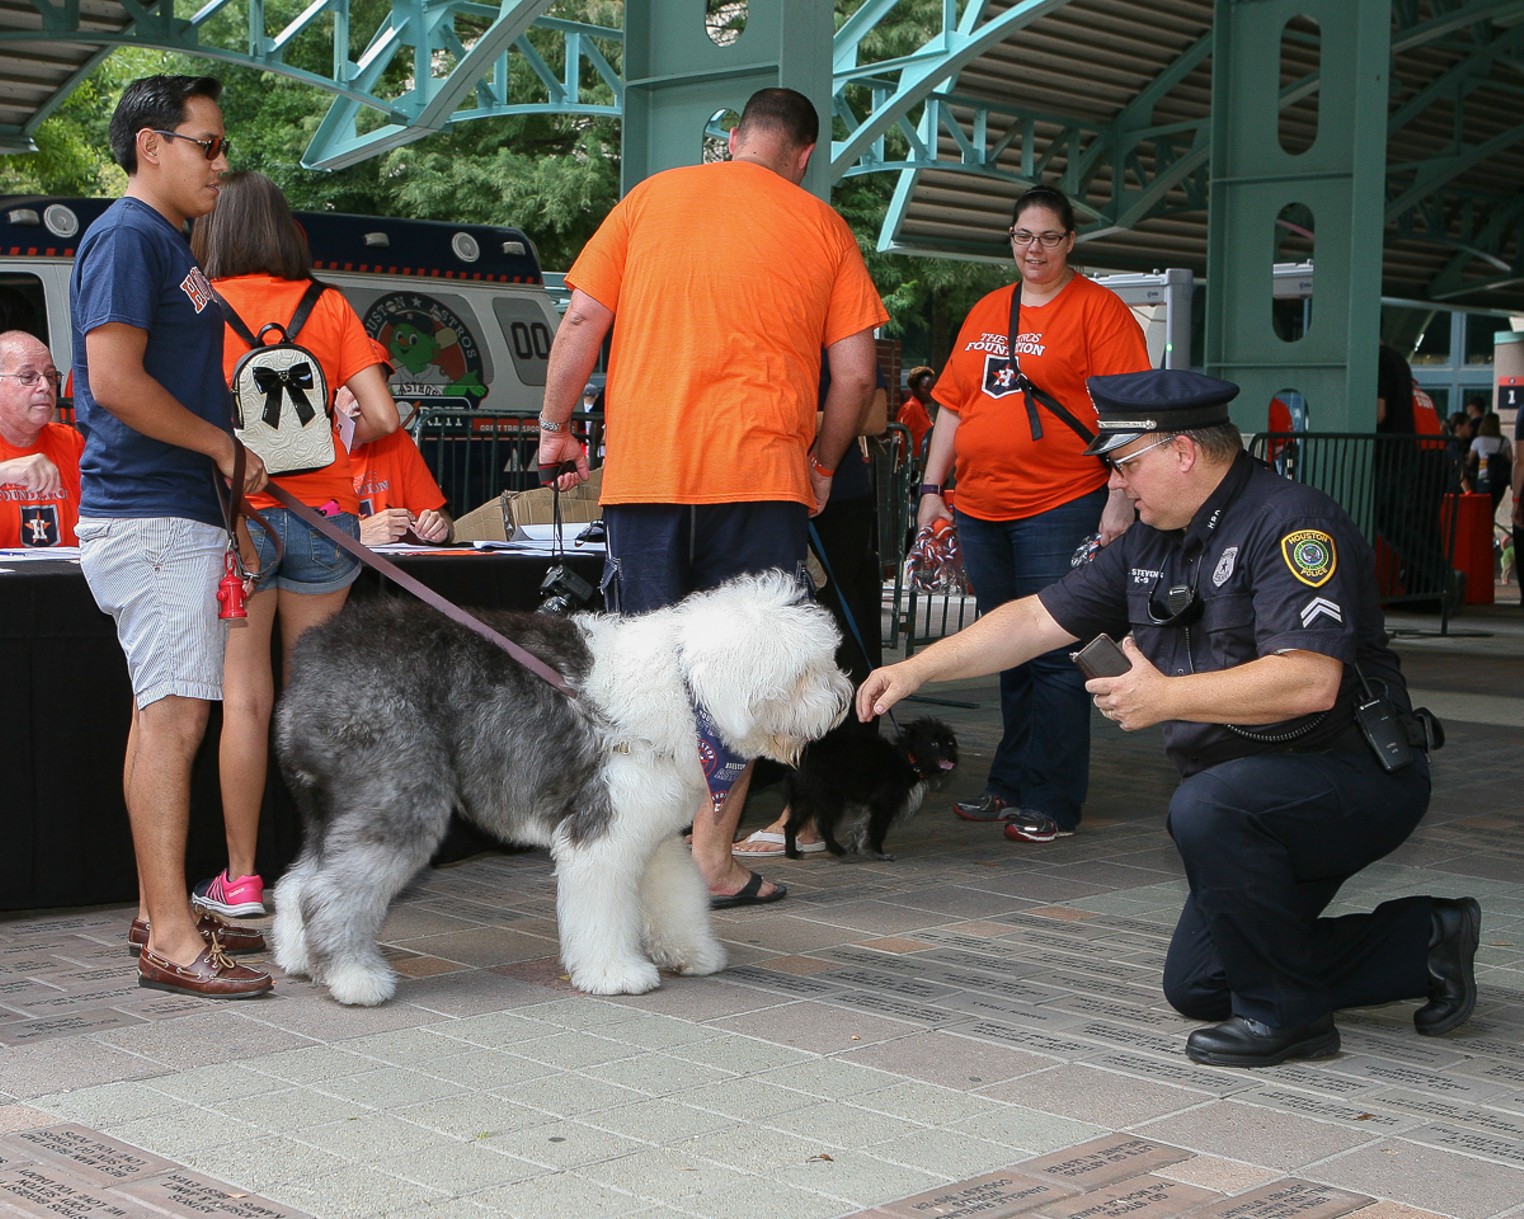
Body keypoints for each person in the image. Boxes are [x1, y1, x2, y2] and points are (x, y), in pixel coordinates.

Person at [859, 368, 1480, 1068]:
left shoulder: (1291, 522)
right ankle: (1425, 939)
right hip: (1251, 791)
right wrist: (916, 668)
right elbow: (1036, 618)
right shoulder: (1154, 539)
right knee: (1200, 982)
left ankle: (1290, 1018)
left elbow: (1310, 680)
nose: (1116, 485)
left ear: (1182, 451)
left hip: (1348, 772)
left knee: (1207, 806)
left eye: (1124, 465)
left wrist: (1165, 699)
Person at [535, 86, 887, 907]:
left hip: (647, 476)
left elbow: (582, 318)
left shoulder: (650, 199)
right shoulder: (823, 228)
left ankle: (627, 849)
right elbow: (858, 374)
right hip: (762, 480)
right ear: (804, 155)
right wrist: (825, 462)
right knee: (748, 674)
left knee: (646, 672)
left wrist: (555, 426)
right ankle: (711, 859)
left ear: (733, 139)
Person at [70, 74, 272, 998]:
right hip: (148, 514)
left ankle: (163, 911)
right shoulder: (124, 234)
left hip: (171, 510)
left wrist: (226, 502)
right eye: (208, 144)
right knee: (177, 718)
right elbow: (112, 381)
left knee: (164, 715)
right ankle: (175, 939)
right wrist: (223, 450)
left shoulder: (158, 240)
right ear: (152, 145)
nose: (222, 165)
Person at [189, 169, 398, 919]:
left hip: (238, 520)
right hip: (325, 523)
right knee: (316, 701)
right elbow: (383, 417)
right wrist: (341, 430)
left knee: (244, 702)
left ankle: (241, 878)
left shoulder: (201, 304)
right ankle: (329, 875)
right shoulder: (330, 304)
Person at [916, 184, 1149, 843]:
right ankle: (1009, 783)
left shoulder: (1099, 312)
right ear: (1010, 240)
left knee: (1053, 654)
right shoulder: (991, 308)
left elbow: (1127, 410)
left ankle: (1051, 798)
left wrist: (1119, 493)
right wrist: (934, 488)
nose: (1035, 249)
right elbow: (955, 406)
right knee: (1009, 653)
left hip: (1060, 504)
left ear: (1071, 241)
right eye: (1023, 236)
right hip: (983, 507)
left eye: (1049, 236)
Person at [349, 343, 452, 546]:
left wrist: (439, 530)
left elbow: (444, 521)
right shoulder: (308, 445)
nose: (366, 396)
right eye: (355, 383)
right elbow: (289, 538)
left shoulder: (396, 440)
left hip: (390, 572)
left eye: (376, 385)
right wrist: (357, 534)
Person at [0, 330, 82, 547]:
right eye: (28, 377)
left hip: (66, 577)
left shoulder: (72, 443)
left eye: (50, 376)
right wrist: (3, 473)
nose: (45, 387)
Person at [1468, 412, 1512, 513]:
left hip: (1483, 477)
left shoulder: (1479, 441)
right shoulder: (1504, 441)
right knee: (1493, 509)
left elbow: (1470, 461)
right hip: (1499, 480)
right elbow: (1510, 459)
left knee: (1481, 509)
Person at [897, 365, 936, 462]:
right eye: (926, 388)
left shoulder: (922, 410)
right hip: (912, 469)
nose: (931, 392)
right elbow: (901, 440)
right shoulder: (911, 408)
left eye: (933, 388)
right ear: (915, 388)